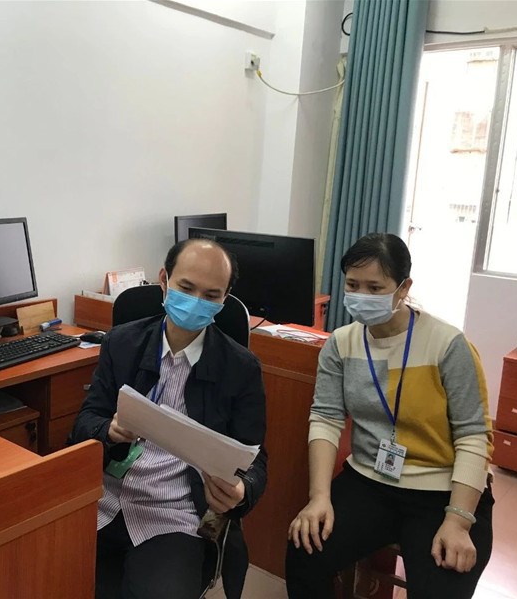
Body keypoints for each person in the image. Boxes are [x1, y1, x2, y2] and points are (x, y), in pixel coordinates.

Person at [285, 233, 494, 599]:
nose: (361, 295)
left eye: (375, 287)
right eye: (353, 285)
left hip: (443, 488)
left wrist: (459, 521)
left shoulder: (448, 344)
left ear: (403, 288)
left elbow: (474, 435)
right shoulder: (341, 344)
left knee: (443, 584)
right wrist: (319, 497)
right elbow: (326, 418)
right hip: (370, 480)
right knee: (305, 549)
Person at [70, 239, 267, 599]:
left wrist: (241, 491)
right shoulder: (121, 343)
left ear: (224, 299)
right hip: (103, 500)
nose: (195, 302)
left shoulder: (240, 369)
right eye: (186, 288)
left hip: (175, 514)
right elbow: (84, 422)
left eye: (210, 295)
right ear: (164, 280)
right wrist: (108, 430)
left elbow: (255, 459)